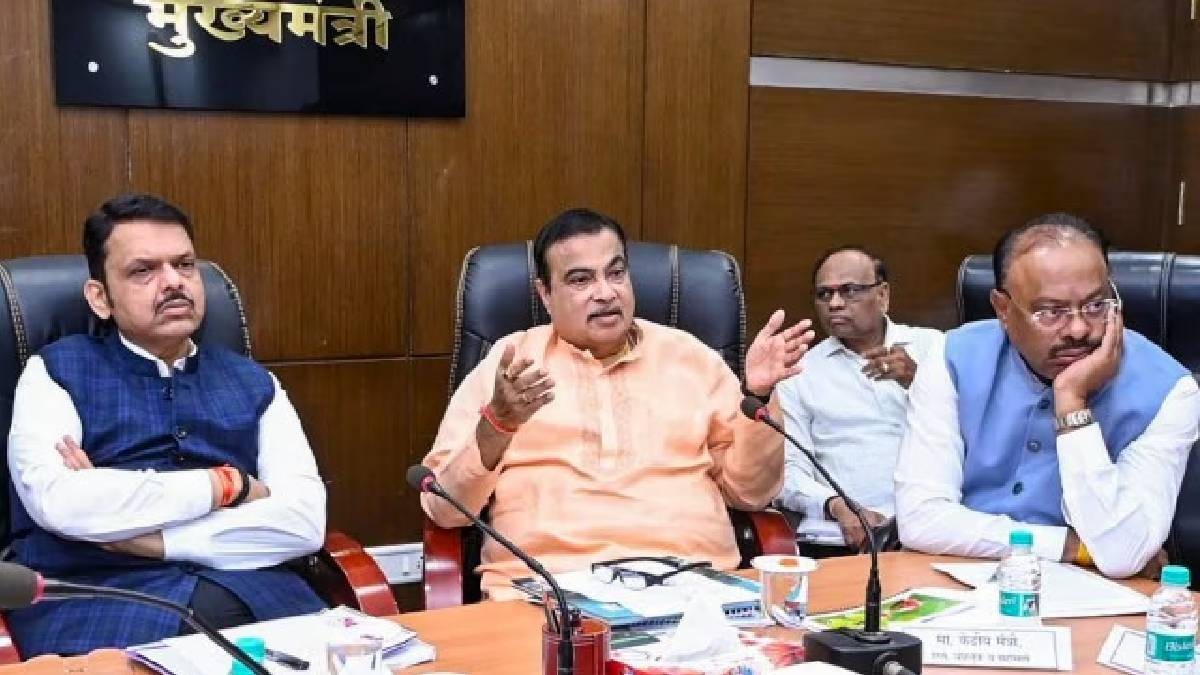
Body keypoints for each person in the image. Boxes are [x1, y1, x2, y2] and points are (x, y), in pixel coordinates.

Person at [420, 208, 815, 599]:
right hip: (549, 592)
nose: (606, 293)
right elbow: (445, 509)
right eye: (580, 280)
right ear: (545, 294)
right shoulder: (511, 363)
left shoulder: (691, 357)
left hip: (692, 585)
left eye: (616, 273)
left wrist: (760, 395)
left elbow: (750, 494)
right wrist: (498, 424)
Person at [6, 194, 328, 656]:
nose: (174, 282)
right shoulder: (54, 372)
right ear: (100, 298)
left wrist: (148, 538)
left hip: (258, 598)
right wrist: (227, 486)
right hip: (99, 602)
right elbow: (60, 503)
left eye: (185, 265)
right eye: (144, 271)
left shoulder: (256, 383)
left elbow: (304, 523)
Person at [895, 213, 1199, 578]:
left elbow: (1121, 553)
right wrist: (1071, 547)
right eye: (1051, 312)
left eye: (1096, 305)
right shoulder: (951, 359)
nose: (1079, 329)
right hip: (952, 578)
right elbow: (921, 519)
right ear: (1003, 309)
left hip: (1090, 594)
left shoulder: (1170, 392)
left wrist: (1071, 400)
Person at [775, 247, 940, 553]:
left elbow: (982, 436)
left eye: (849, 291)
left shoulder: (935, 349)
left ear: (883, 294)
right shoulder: (798, 373)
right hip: (843, 538)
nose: (835, 303)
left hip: (934, 531)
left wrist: (921, 383)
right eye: (824, 294)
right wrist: (835, 505)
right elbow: (785, 471)